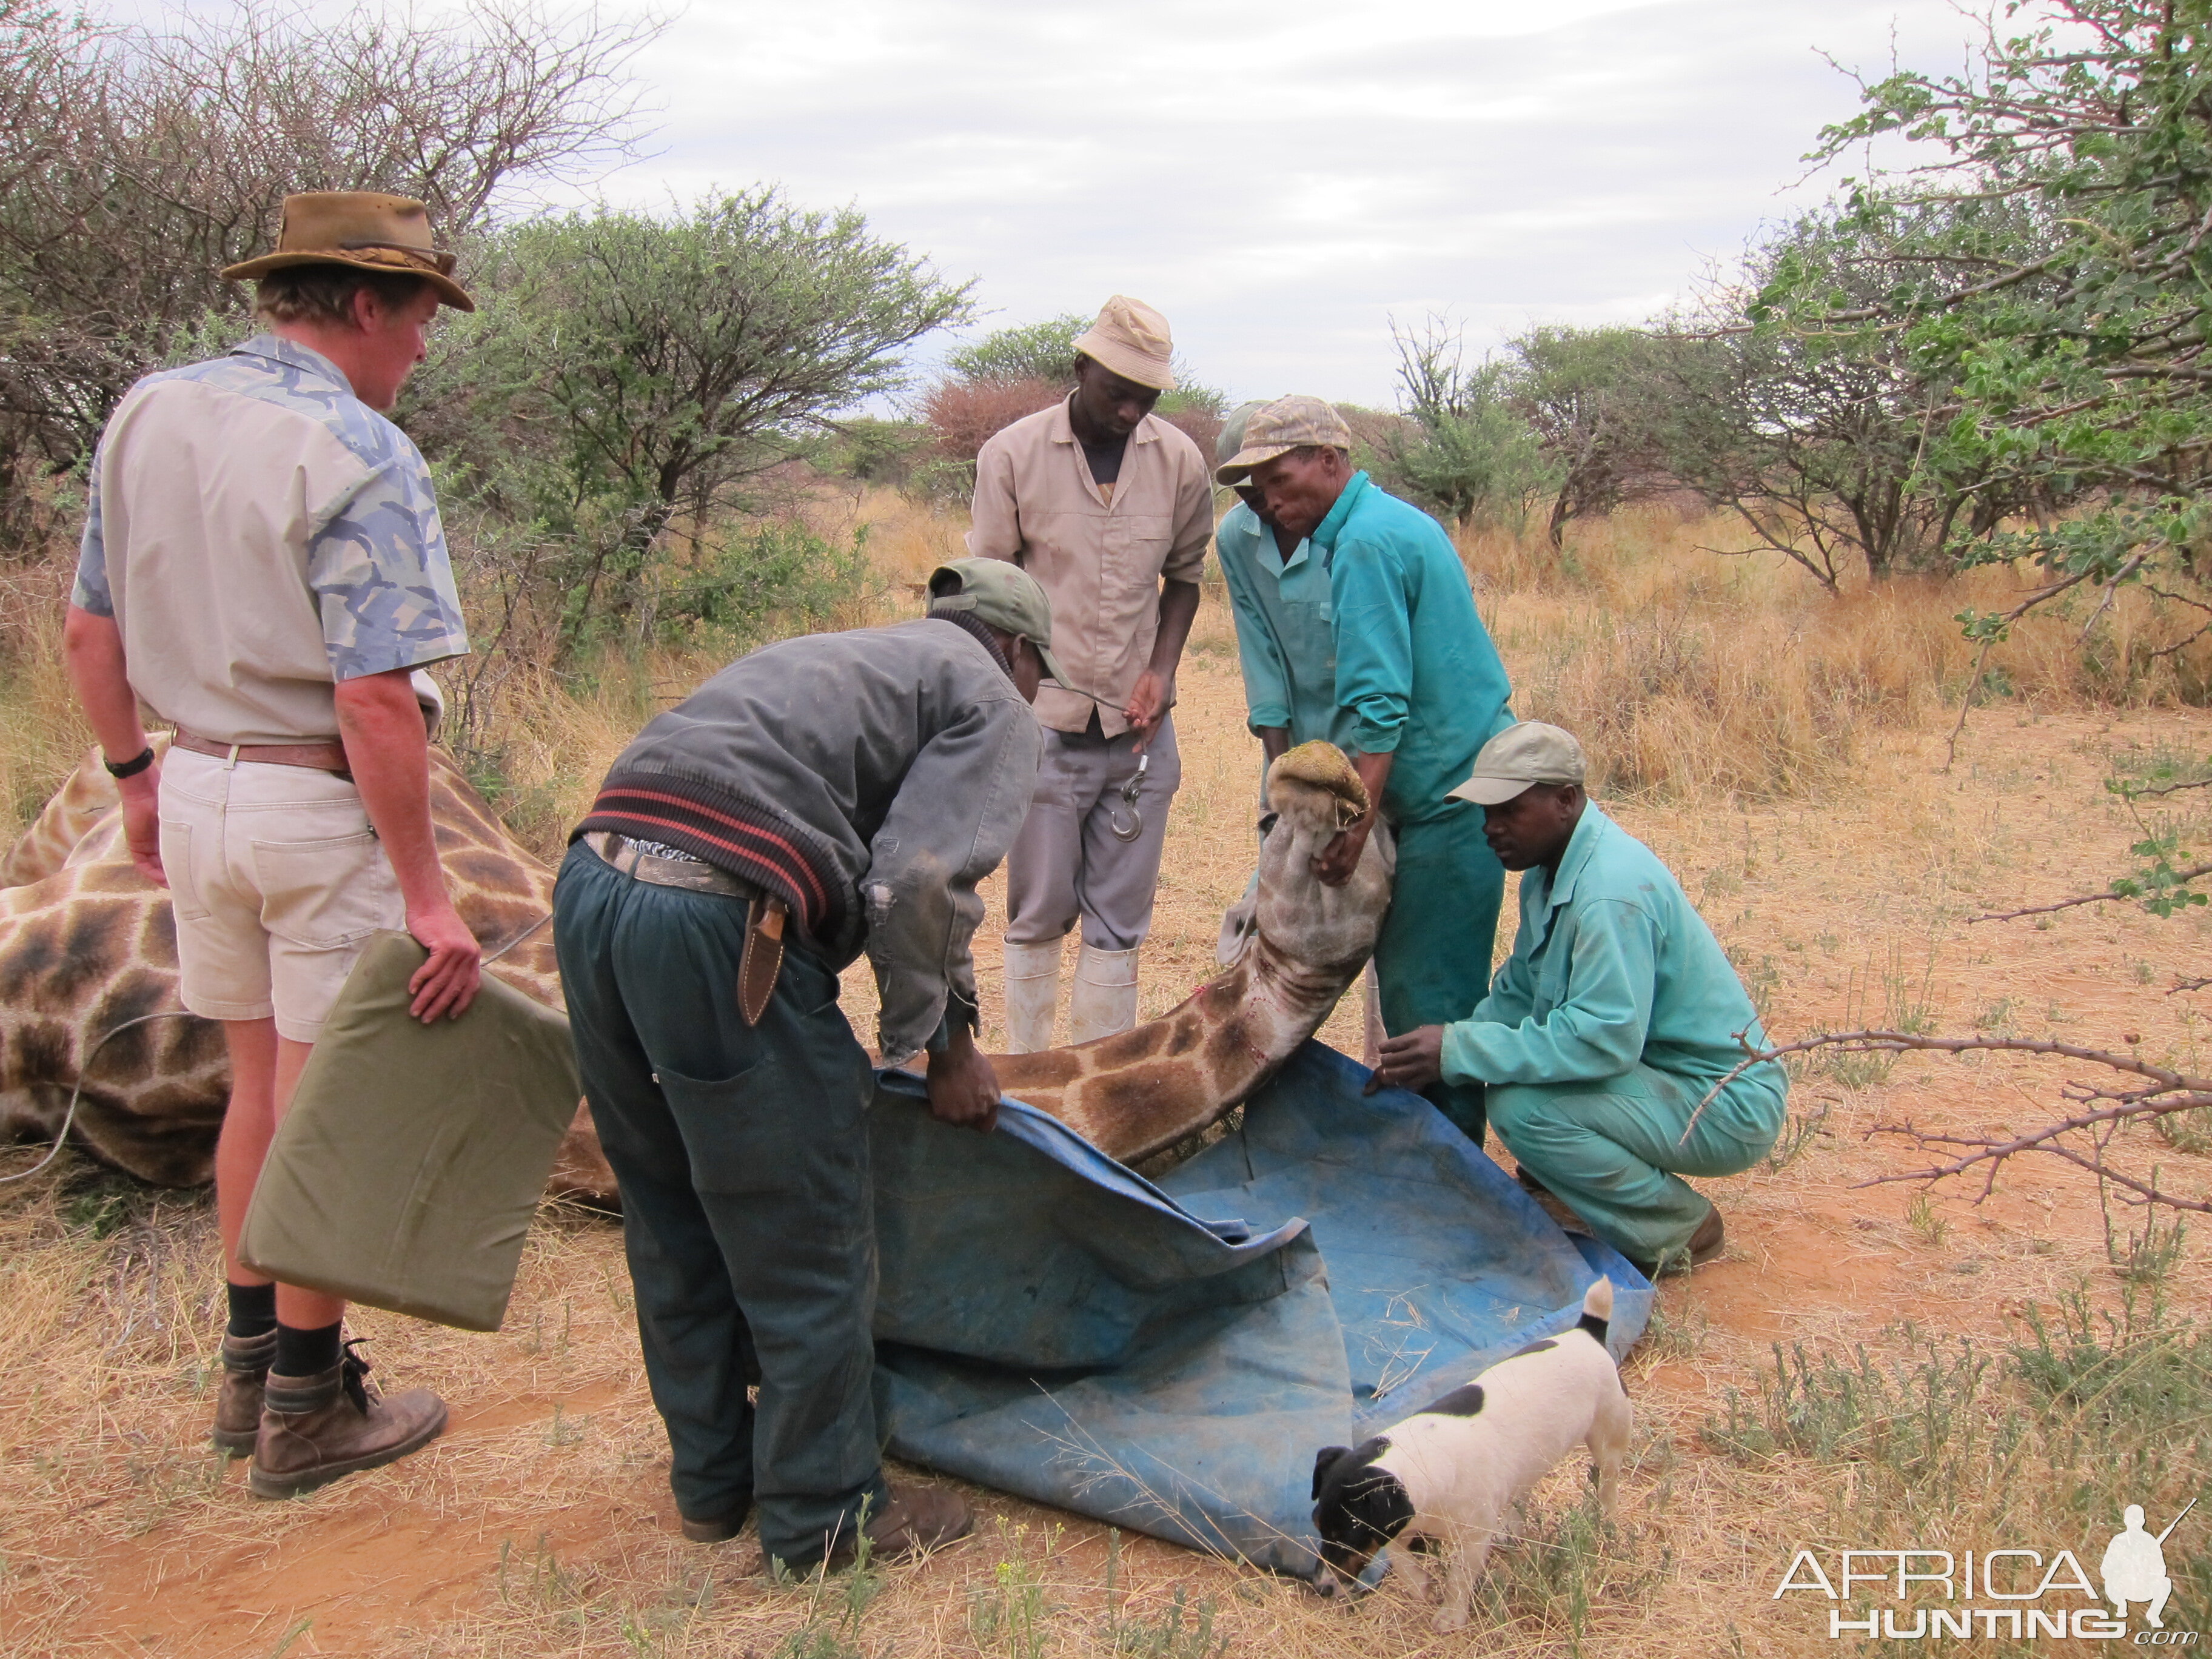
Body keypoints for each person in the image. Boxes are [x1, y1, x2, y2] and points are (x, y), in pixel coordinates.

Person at [62, 191, 482, 1496]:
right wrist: (429, 896)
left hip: (191, 790)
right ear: (364, 302)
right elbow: (372, 698)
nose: (422, 349)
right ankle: (308, 1407)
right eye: (419, 320)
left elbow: (92, 631)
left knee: (257, 1086)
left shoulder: (147, 410)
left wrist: (134, 779)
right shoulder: (360, 451)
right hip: (309, 806)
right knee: (319, 1105)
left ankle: (249, 1372)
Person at [553, 559, 1056, 1572]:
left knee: (667, 1206)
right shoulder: (993, 699)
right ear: (1017, 651)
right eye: (1037, 674)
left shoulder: (847, 657)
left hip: (590, 887)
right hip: (716, 919)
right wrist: (944, 1047)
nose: (1032, 696)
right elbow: (919, 878)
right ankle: (825, 1513)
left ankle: (711, 1481)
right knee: (809, 1224)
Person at [1368, 722, 1789, 1278]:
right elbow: (1520, 992)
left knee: (1523, 1110)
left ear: (1565, 800)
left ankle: (1678, 1230)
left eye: (1508, 811)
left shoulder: (1609, 892)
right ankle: (1581, 1174)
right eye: (1485, 812)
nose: (1490, 828)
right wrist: (1442, 1058)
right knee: (1512, 1074)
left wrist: (1457, 1050)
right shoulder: (1549, 872)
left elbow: (1603, 1039)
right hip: (1665, 1073)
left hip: (1727, 1101)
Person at [1217, 396, 1514, 1141]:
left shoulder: (1366, 545)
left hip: (1445, 791)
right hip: (1373, 788)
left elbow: (1380, 700)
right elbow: (1272, 671)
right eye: (1256, 491)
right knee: (1287, 954)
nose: (1272, 503)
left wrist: (1357, 819)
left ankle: (1445, 1172)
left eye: (1281, 480)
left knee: (1427, 997)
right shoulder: (1356, 531)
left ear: (1331, 459)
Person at [969, 295, 1213, 1050]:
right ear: (1081, 370)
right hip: (1044, 725)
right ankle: (1033, 1085)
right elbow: (992, 587)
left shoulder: (1179, 462)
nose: (1132, 408)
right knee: (1038, 909)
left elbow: (1185, 579)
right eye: (1119, 391)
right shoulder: (1011, 455)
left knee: (1121, 919)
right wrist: (1021, 692)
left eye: (1149, 396)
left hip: (1139, 733)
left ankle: (1101, 1088)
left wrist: (1162, 672)